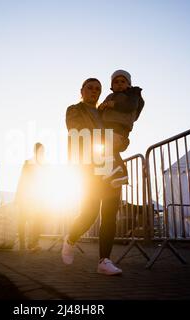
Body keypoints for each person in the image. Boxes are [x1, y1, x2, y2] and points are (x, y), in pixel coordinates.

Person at [62, 78, 124, 275]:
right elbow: (77, 131)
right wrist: (108, 138)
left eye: (98, 89)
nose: (94, 91)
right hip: (88, 167)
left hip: (111, 165)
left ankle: (104, 261)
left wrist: (122, 140)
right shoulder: (74, 110)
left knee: (109, 215)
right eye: (90, 88)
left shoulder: (105, 112)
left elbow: (122, 136)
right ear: (82, 90)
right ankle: (71, 238)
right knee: (89, 214)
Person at [98, 69, 144, 188]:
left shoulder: (132, 95)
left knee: (109, 148)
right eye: (116, 82)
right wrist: (101, 108)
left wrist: (115, 105)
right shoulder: (110, 96)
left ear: (129, 84)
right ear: (112, 85)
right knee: (109, 150)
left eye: (123, 81)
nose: (119, 84)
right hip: (107, 127)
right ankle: (115, 173)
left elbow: (131, 106)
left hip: (119, 127)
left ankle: (121, 172)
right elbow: (100, 111)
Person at [15, 143, 46, 252]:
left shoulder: (44, 165)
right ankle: (23, 242)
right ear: (35, 151)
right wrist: (18, 196)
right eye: (40, 150)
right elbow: (22, 179)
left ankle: (33, 242)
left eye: (43, 151)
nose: (42, 152)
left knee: (39, 219)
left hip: (39, 196)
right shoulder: (28, 163)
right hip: (26, 195)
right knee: (23, 219)